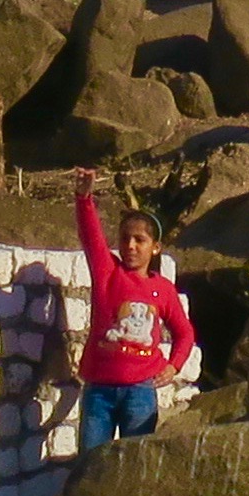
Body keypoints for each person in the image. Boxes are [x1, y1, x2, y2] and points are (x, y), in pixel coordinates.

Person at [69, 176, 195, 450]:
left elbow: (184, 332)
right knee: (90, 463)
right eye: (125, 239)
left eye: (140, 240)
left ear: (155, 247)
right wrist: (84, 198)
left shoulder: (162, 289)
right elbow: (92, 238)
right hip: (99, 391)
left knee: (136, 461)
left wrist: (174, 365)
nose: (131, 246)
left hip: (140, 392)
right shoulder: (108, 273)